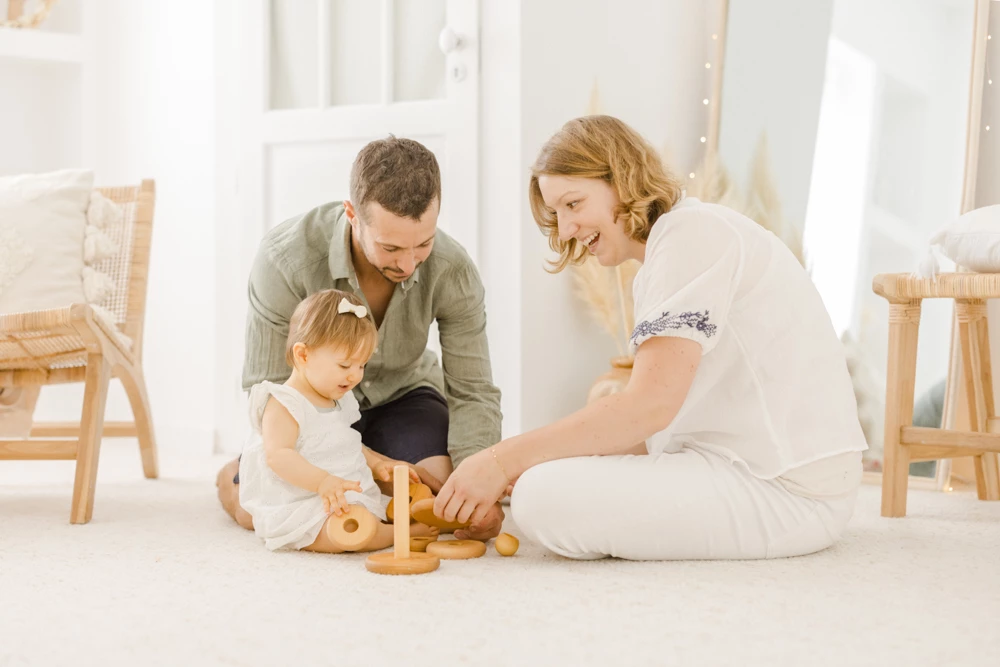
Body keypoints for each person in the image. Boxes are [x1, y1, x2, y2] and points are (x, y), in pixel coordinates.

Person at [434, 115, 867, 560]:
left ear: (621, 179)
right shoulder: (678, 244)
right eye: (557, 212)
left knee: (539, 498)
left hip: (788, 489)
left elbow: (649, 406)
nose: (564, 230)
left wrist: (503, 460)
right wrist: (526, 461)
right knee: (544, 475)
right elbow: (659, 419)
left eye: (574, 204)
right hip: (762, 470)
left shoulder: (690, 238)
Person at [217, 136, 504, 541]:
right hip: (313, 413)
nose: (408, 263)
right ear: (352, 214)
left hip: (403, 395)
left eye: (423, 243)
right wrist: (318, 453)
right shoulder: (284, 258)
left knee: (434, 494)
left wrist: (478, 475)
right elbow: (264, 383)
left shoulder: (452, 270)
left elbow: (472, 390)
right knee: (264, 513)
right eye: (391, 248)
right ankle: (232, 475)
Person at [239, 289, 436, 552]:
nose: (355, 376)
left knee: (367, 513)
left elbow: (347, 443)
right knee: (346, 532)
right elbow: (279, 456)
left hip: (343, 497)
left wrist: (378, 464)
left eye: (362, 365)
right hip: (304, 503)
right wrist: (321, 482)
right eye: (345, 365)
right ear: (303, 355)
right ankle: (399, 534)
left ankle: (390, 526)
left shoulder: (338, 399)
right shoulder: (285, 403)